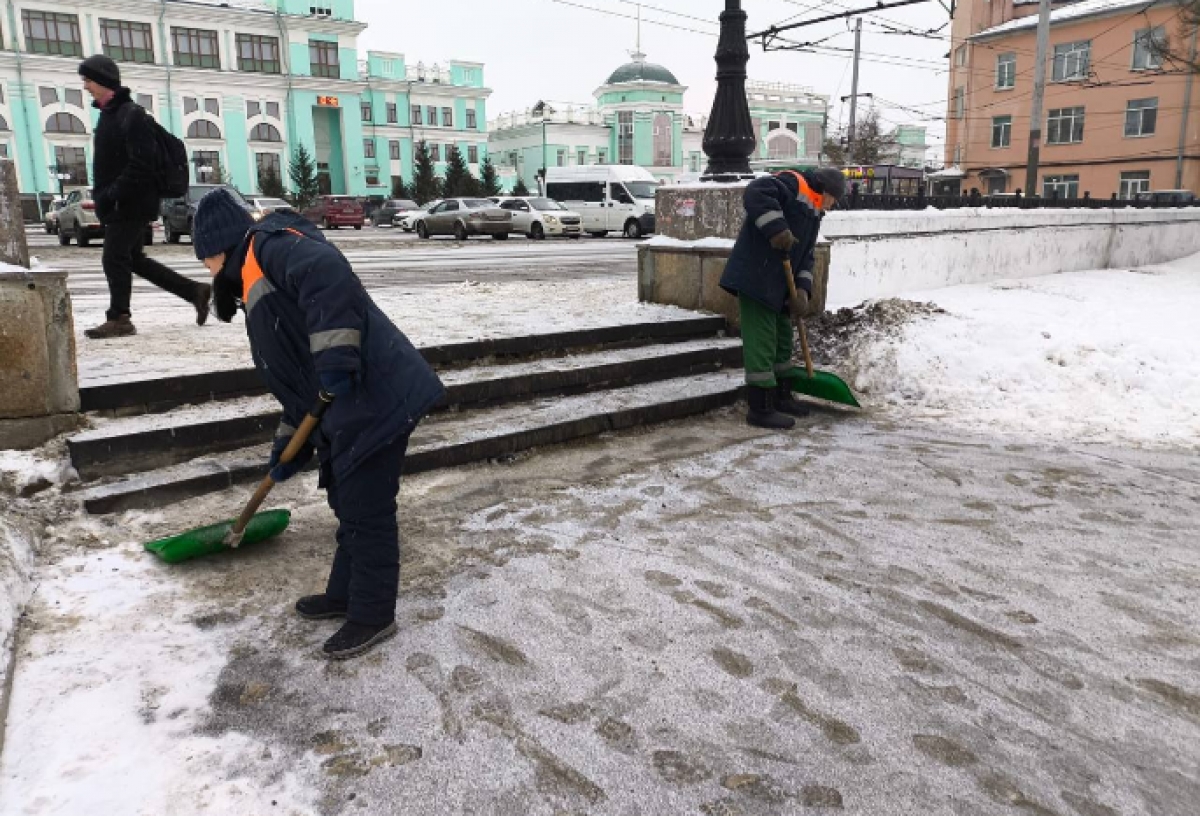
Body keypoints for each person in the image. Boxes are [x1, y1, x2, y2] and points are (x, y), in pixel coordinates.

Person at [192, 189, 445, 660]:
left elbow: (328, 274)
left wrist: (335, 357)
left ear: (217, 247)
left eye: (204, 257)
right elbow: (298, 384)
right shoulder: (253, 279)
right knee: (347, 501)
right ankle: (346, 594)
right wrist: (287, 448)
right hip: (345, 403)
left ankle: (372, 614)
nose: (206, 269)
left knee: (366, 509)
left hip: (375, 393)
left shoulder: (270, 245)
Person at [78, 55, 211, 339]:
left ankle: (119, 318)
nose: (86, 86)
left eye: (89, 80)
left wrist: (113, 194)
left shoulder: (130, 114)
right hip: (121, 201)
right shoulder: (110, 114)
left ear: (103, 81)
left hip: (129, 203)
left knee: (114, 258)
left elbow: (142, 163)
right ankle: (195, 291)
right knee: (133, 259)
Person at [720, 168, 845, 430]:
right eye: (834, 199)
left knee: (782, 340)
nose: (833, 206)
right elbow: (756, 193)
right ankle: (760, 407)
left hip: (779, 285)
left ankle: (781, 396)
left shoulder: (814, 212)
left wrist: (802, 290)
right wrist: (776, 228)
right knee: (762, 341)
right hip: (757, 277)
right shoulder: (792, 183)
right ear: (826, 191)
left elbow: (806, 254)